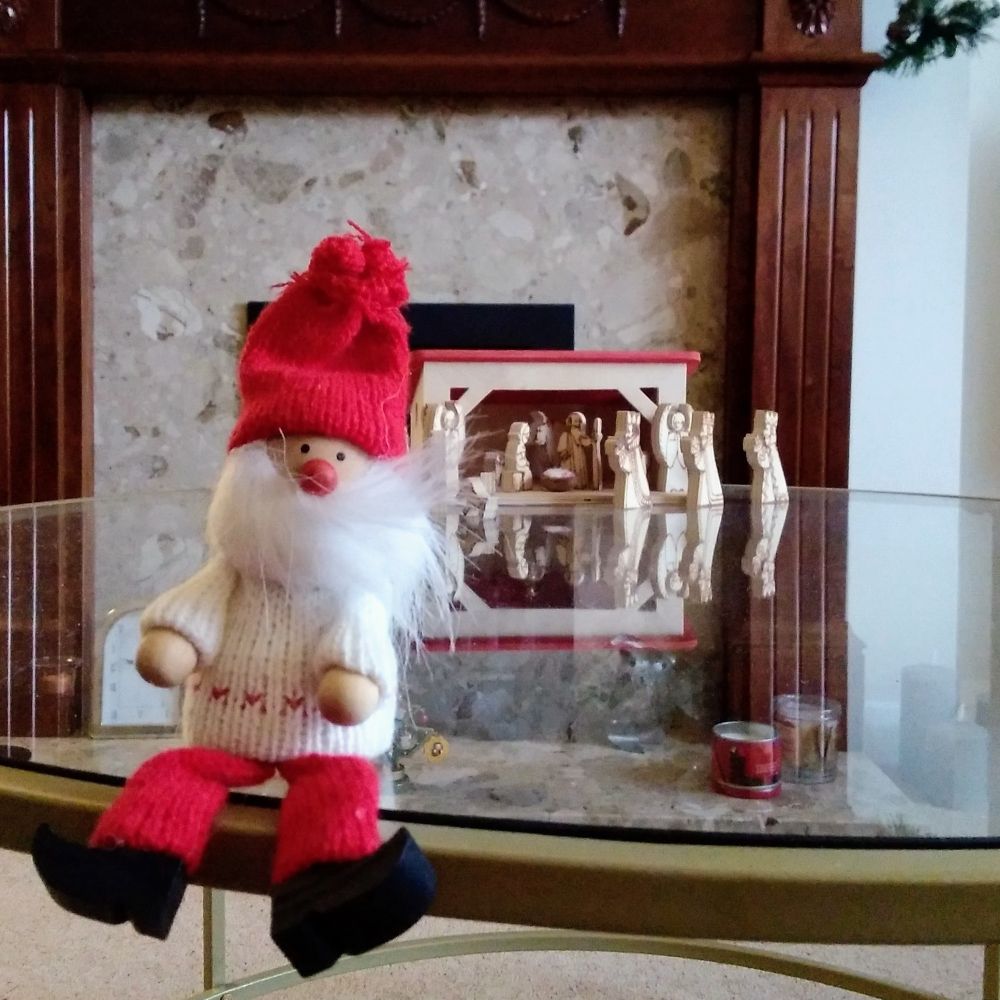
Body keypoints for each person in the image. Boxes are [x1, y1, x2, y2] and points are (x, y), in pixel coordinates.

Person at [32, 226, 447, 979]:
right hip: (226, 724)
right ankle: (133, 875)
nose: (318, 470)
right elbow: (186, 621)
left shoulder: (356, 586)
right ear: (260, 460)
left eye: (340, 455)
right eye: (300, 450)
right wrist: (171, 642)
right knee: (176, 770)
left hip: (322, 736)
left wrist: (348, 684)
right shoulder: (238, 566)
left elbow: (355, 660)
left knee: (339, 786)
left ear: (372, 469)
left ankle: (326, 900)